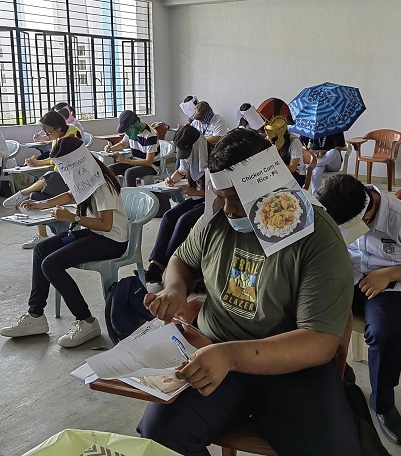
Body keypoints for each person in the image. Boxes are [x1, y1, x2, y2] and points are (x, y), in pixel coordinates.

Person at [137, 128, 361, 456]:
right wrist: (174, 289)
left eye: (235, 199)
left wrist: (231, 355)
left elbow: (319, 342)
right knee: (160, 435)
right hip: (211, 351)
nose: (227, 210)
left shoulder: (316, 237)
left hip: (290, 364)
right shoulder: (216, 222)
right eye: (222, 197)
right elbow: (181, 260)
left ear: (267, 188)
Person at [317, 174, 401, 445]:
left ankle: (383, 404)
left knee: (384, 332)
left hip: (391, 287)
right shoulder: (338, 208)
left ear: (364, 219)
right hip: (347, 278)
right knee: (306, 311)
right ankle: (334, 382)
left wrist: (389, 274)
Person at [0, 136, 129, 347]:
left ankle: (86, 321)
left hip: (112, 240)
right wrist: (42, 205)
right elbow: (71, 195)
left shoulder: (102, 183)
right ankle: (35, 316)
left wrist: (73, 218)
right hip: (95, 233)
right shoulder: (86, 173)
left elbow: (106, 225)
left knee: (51, 264)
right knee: (42, 249)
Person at [3, 110, 80, 248]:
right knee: (35, 196)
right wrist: (38, 163)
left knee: (51, 176)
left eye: (48, 131)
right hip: (60, 179)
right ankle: (41, 236)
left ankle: (22, 193)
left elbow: (62, 159)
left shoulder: (72, 135)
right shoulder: (57, 137)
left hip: (72, 181)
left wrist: (42, 161)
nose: (47, 134)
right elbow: (53, 160)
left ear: (59, 128)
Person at [141, 125, 208, 283]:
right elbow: (182, 170)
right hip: (197, 198)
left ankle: (166, 266)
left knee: (183, 221)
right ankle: (154, 266)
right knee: (169, 216)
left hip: (212, 201)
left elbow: (221, 194)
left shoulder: (212, 157)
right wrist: (172, 179)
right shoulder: (191, 154)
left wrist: (195, 192)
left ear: (196, 145)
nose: (186, 156)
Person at [105, 110, 160, 187]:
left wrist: (125, 161)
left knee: (129, 173)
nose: (127, 132)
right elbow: (122, 144)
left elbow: (148, 162)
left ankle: (131, 196)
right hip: (135, 162)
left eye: (127, 129)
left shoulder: (149, 136)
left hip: (151, 166)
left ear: (135, 124)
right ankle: (115, 193)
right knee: (109, 169)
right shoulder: (131, 132)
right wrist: (111, 148)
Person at [264, 115, 306, 187]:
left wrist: (274, 166)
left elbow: (292, 168)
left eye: (273, 132)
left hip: (296, 174)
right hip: (279, 170)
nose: (270, 136)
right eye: (269, 132)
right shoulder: (269, 139)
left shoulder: (294, 142)